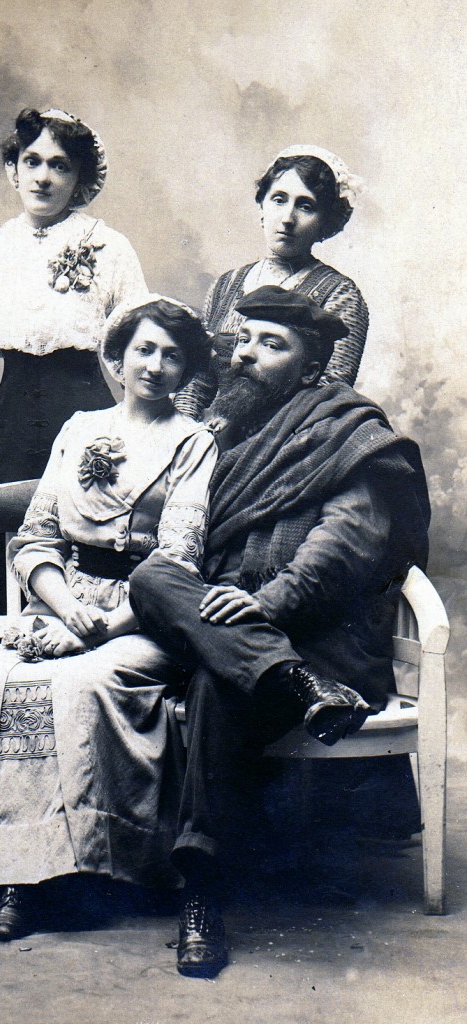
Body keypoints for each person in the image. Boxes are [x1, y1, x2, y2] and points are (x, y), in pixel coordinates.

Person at [128, 286, 430, 978]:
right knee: (151, 578)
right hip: (250, 640)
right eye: (243, 340)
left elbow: (346, 544)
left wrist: (267, 603)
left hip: (321, 641)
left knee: (215, 675)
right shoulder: (223, 436)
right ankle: (291, 683)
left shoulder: (346, 427)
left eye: (272, 343)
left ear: (313, 365)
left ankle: (201, 894)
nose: (247, 355)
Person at [0, 297, 217, 942]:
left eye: (172, 356)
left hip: (141, 615)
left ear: (188, 371)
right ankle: (14, 878)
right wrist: (62, 606)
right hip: (62, 601)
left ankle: (88, 870)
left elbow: (178, 557)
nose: (154, 365)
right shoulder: (78, 427)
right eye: (144, 350)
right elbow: (35, 538)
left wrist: (101, 625)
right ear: (117, 358)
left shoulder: (193, 440)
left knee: (77, 686)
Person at [0, 106, 148, 810]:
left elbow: (139, 344)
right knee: (3, 580)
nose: (44, 176)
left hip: (88, 413)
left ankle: (84, 778)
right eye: (32, 162)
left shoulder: (111, 247)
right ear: (12, 168)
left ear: (80, 179)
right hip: (11, 420)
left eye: (60, 165)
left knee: (84, 573)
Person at [175, 145, 369, 422]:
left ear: (324, 221)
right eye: (279, 199)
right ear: (262, 207)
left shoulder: (340, 293)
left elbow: (329, 394)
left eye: (305, 206)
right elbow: (198, 380)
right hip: (210, 433)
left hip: (286, 442)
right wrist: (185, 436)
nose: (288, 218)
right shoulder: (226, 285)